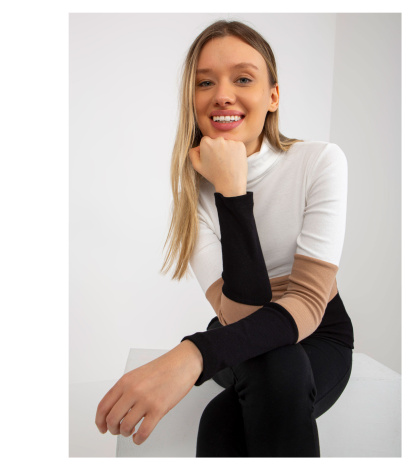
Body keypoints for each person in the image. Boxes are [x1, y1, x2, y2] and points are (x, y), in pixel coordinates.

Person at [95, 19, 355, 458]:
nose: (222, 94)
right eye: (205, 82)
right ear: (192, 99)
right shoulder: (192, 196)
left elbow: (310, 303)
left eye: (243, 79)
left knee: (224, 418)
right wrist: (229, 190)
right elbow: (243, 313)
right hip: (237, 328)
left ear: (273, 96)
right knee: (276, 367)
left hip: (318, 334)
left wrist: (194, 354)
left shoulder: (320, 162)